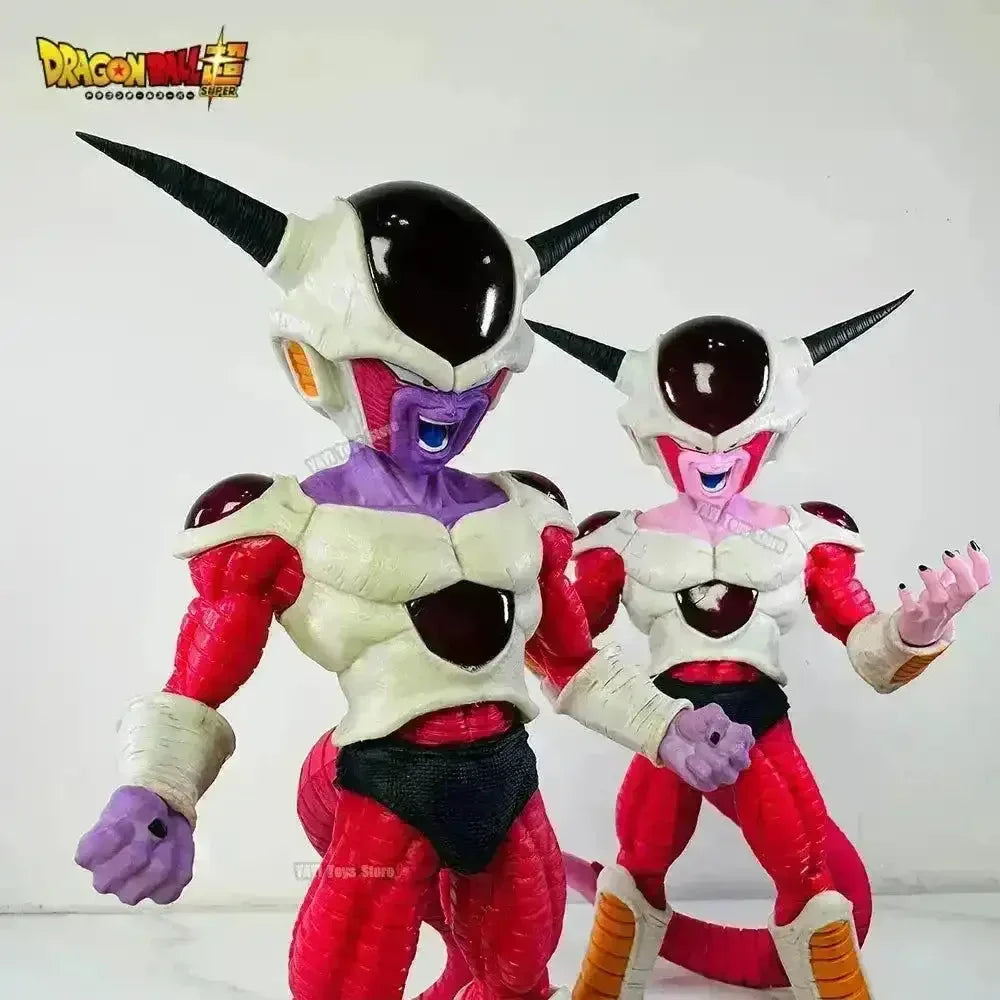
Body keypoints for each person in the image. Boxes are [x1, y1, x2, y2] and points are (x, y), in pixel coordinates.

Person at [71, 133, 752, 1000]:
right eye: (403, 373)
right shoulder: (283, 524)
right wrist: (158, 790)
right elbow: (197, 685)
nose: (444, 406)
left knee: (518, 977)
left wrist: (669, 727)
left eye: (474, 385)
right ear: (314, 360)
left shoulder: (524, 511)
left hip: (507, 781)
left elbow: (572, 664)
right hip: (385, 790)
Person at [529, 299, 990, 1000]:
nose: (714, 459)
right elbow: (563, 652)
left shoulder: (805, 537)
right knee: (641, 860)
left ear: (770, 436)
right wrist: (523, 589)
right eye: (692, 443)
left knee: (804, 870)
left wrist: (915, 629)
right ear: (652, 439)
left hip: (761, 723)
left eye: (734, 443)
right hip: (663, 724)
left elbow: (866, 647)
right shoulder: (619, 540)